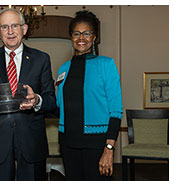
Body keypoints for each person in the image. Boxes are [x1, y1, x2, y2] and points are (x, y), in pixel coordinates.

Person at [0, 8, 56, 181]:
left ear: (24, 29)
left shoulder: (41, 59)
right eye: (4, 27)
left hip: (32, 142)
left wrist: (37, 101)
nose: (10, 32)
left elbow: (51, 100)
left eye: (14, 26)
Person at [56, 10, 123, 181]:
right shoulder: (63, 68)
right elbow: (59, 105)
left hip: (97, 143)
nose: (81, 38)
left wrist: (109, 148)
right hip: (67, 142)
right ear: (71, 37)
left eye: (87, 33)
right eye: (76, 33)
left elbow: (115, 111)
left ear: (94, 37)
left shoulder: (106, 65)